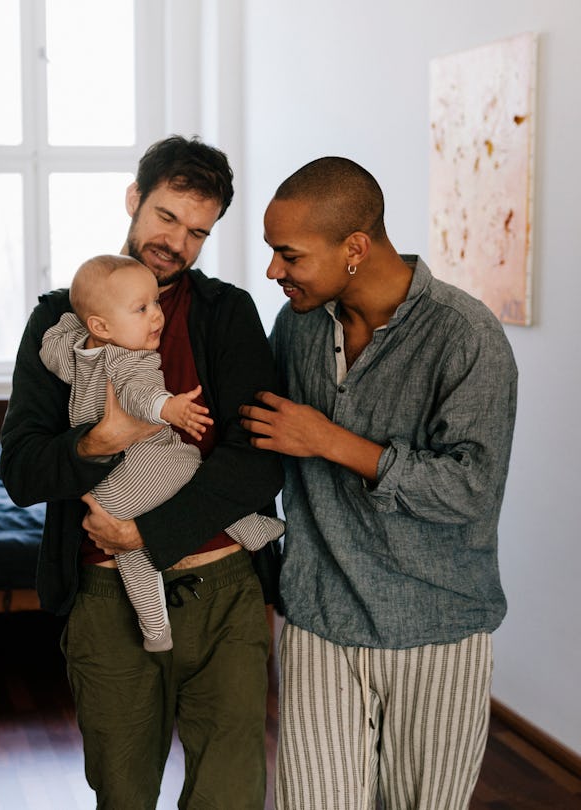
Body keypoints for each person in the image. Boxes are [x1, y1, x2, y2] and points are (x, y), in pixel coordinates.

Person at [0, 135, 283, 809]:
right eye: (165, 217)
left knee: (230, 796)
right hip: (107, 606)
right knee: (124, 795)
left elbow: (260, 460)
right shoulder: (60, 321)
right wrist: (99, 440)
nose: (176, 242)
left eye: (197, 232)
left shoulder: (228, 314)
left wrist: (147, 535)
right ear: (134, 199)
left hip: (223, 598)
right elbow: (20, 469)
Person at [239, 156, 518, 810]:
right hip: (318, 616)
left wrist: (330, 441)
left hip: (438, 626)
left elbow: (471, 490)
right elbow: (260, 443)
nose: (274, 271)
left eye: (289, 255)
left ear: (355, 248)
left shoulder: (466, 335)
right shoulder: (298, 325)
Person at [39, 253, 284, 653]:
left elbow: (51, 347)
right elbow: (139, 393)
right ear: (101, 325)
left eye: (156, 303)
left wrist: (72, 322)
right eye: (142, 308)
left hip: (107, 490)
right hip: (145, 467)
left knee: (132, 556)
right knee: (195, 467)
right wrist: (169, 408)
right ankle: (248, 526)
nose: (157, 316)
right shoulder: (128, 358)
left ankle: (155, 629)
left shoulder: (77, 356)